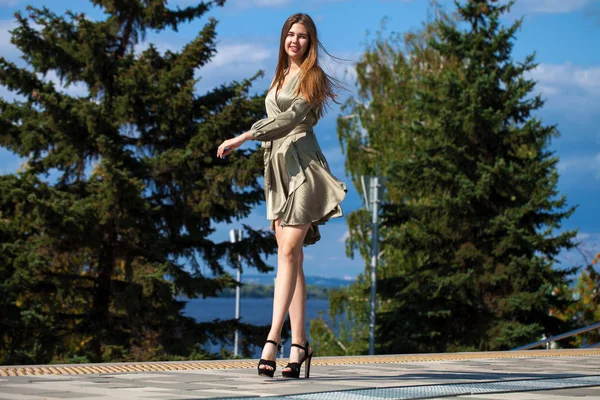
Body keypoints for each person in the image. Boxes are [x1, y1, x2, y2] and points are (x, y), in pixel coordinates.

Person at [217, 12, 347, 379]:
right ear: (283, 39)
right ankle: (300, 344)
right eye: (290, 34)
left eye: (302, 36)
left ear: (311, 42)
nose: (295, 40)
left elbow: (291, 119)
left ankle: (272, 339)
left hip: (304, 168)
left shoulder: (312, 77)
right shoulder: (279, 76)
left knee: (288, 251)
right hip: (276, 170)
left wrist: (243, 136)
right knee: (293, 259)